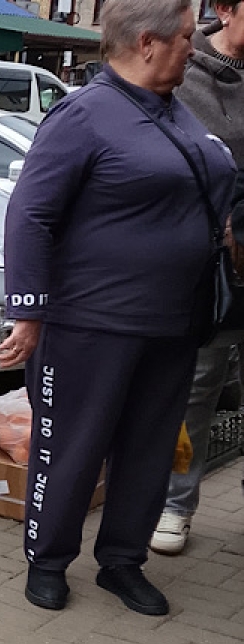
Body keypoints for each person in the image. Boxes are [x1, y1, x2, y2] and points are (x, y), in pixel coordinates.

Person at [0, 0, 236, 616]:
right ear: (150, 42)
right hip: (90, 325)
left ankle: (122, 562)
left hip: (174, 323)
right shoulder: (84, 115)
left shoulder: (177, 112)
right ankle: (48, 561)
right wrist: (28, 311)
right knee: (74, 446)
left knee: (151, 448)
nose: (196, 46)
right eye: (187, 37)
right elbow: (31, 213)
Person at [150, 0, 244, 556]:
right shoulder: (184, 73)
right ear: (227, 9)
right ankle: (173, 504)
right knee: (195, 388)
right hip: (207, 269)